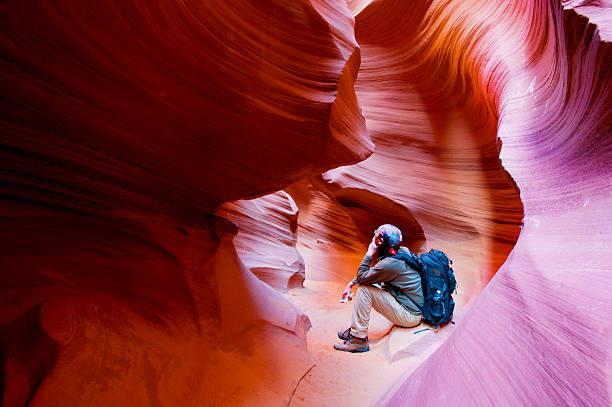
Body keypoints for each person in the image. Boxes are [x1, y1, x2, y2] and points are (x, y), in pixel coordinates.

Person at [334, 224, 424, 353]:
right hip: (411, 305)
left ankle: (358, 340)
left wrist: (370, 252)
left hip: (410, 315)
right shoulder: (400, 251)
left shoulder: (390, 264)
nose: (374, 236)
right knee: (373, 285)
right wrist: (351, 284)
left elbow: (363, 277)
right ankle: (355, 330)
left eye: (376, 234)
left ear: (380, 241)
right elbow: (376, 273)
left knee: (365, 291)